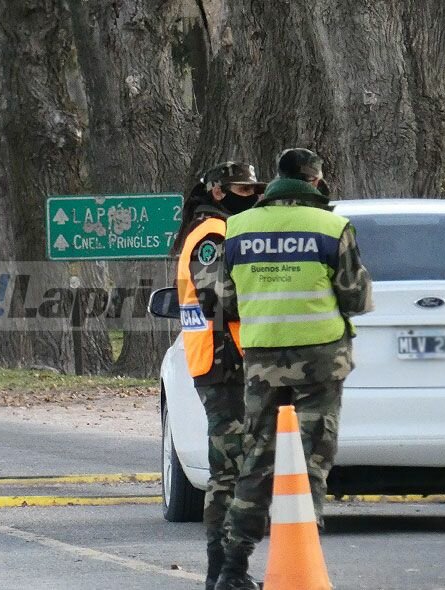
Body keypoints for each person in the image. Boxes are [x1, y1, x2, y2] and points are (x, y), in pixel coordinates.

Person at [214, 149, 373, 590]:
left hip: (263, 359)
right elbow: (355, 299)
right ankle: (302, 559)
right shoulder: (331, 226)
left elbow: (226, 299)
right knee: (312, 462)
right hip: (322, 360)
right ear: (317, 182)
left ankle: (233, 568)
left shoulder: (238, 227)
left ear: (275, 181)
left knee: (257, 460)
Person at [172, 161, 266, 590]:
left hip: (220, 359)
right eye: (241, 190)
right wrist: (268, 297)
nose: (250, 196)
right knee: (228, 470)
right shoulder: (211, 234)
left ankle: (226, 573)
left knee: (232, 466)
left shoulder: (216, 229)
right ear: (216, 191)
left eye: (252, 190)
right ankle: (224, 573)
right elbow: (216, 295)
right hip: (222, 361)